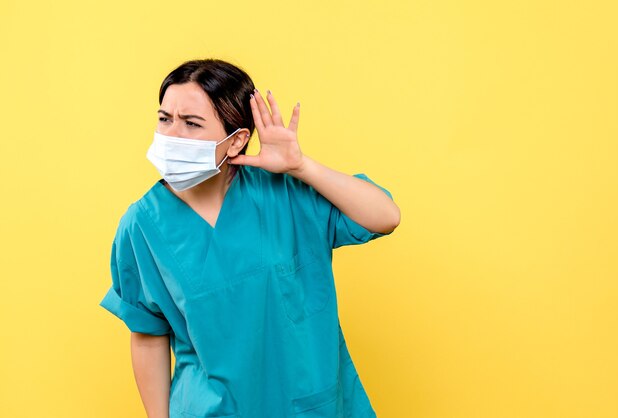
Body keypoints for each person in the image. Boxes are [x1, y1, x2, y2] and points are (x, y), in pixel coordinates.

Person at [99, 58, 401, 418]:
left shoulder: (286, 195)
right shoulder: (142, 225)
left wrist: (301, 166)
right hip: (210, 409)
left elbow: (386, 217)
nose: (171, 136)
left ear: (237, 140)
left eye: (191, 123)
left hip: (306, 404)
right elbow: (148, 333)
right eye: (165, 119)